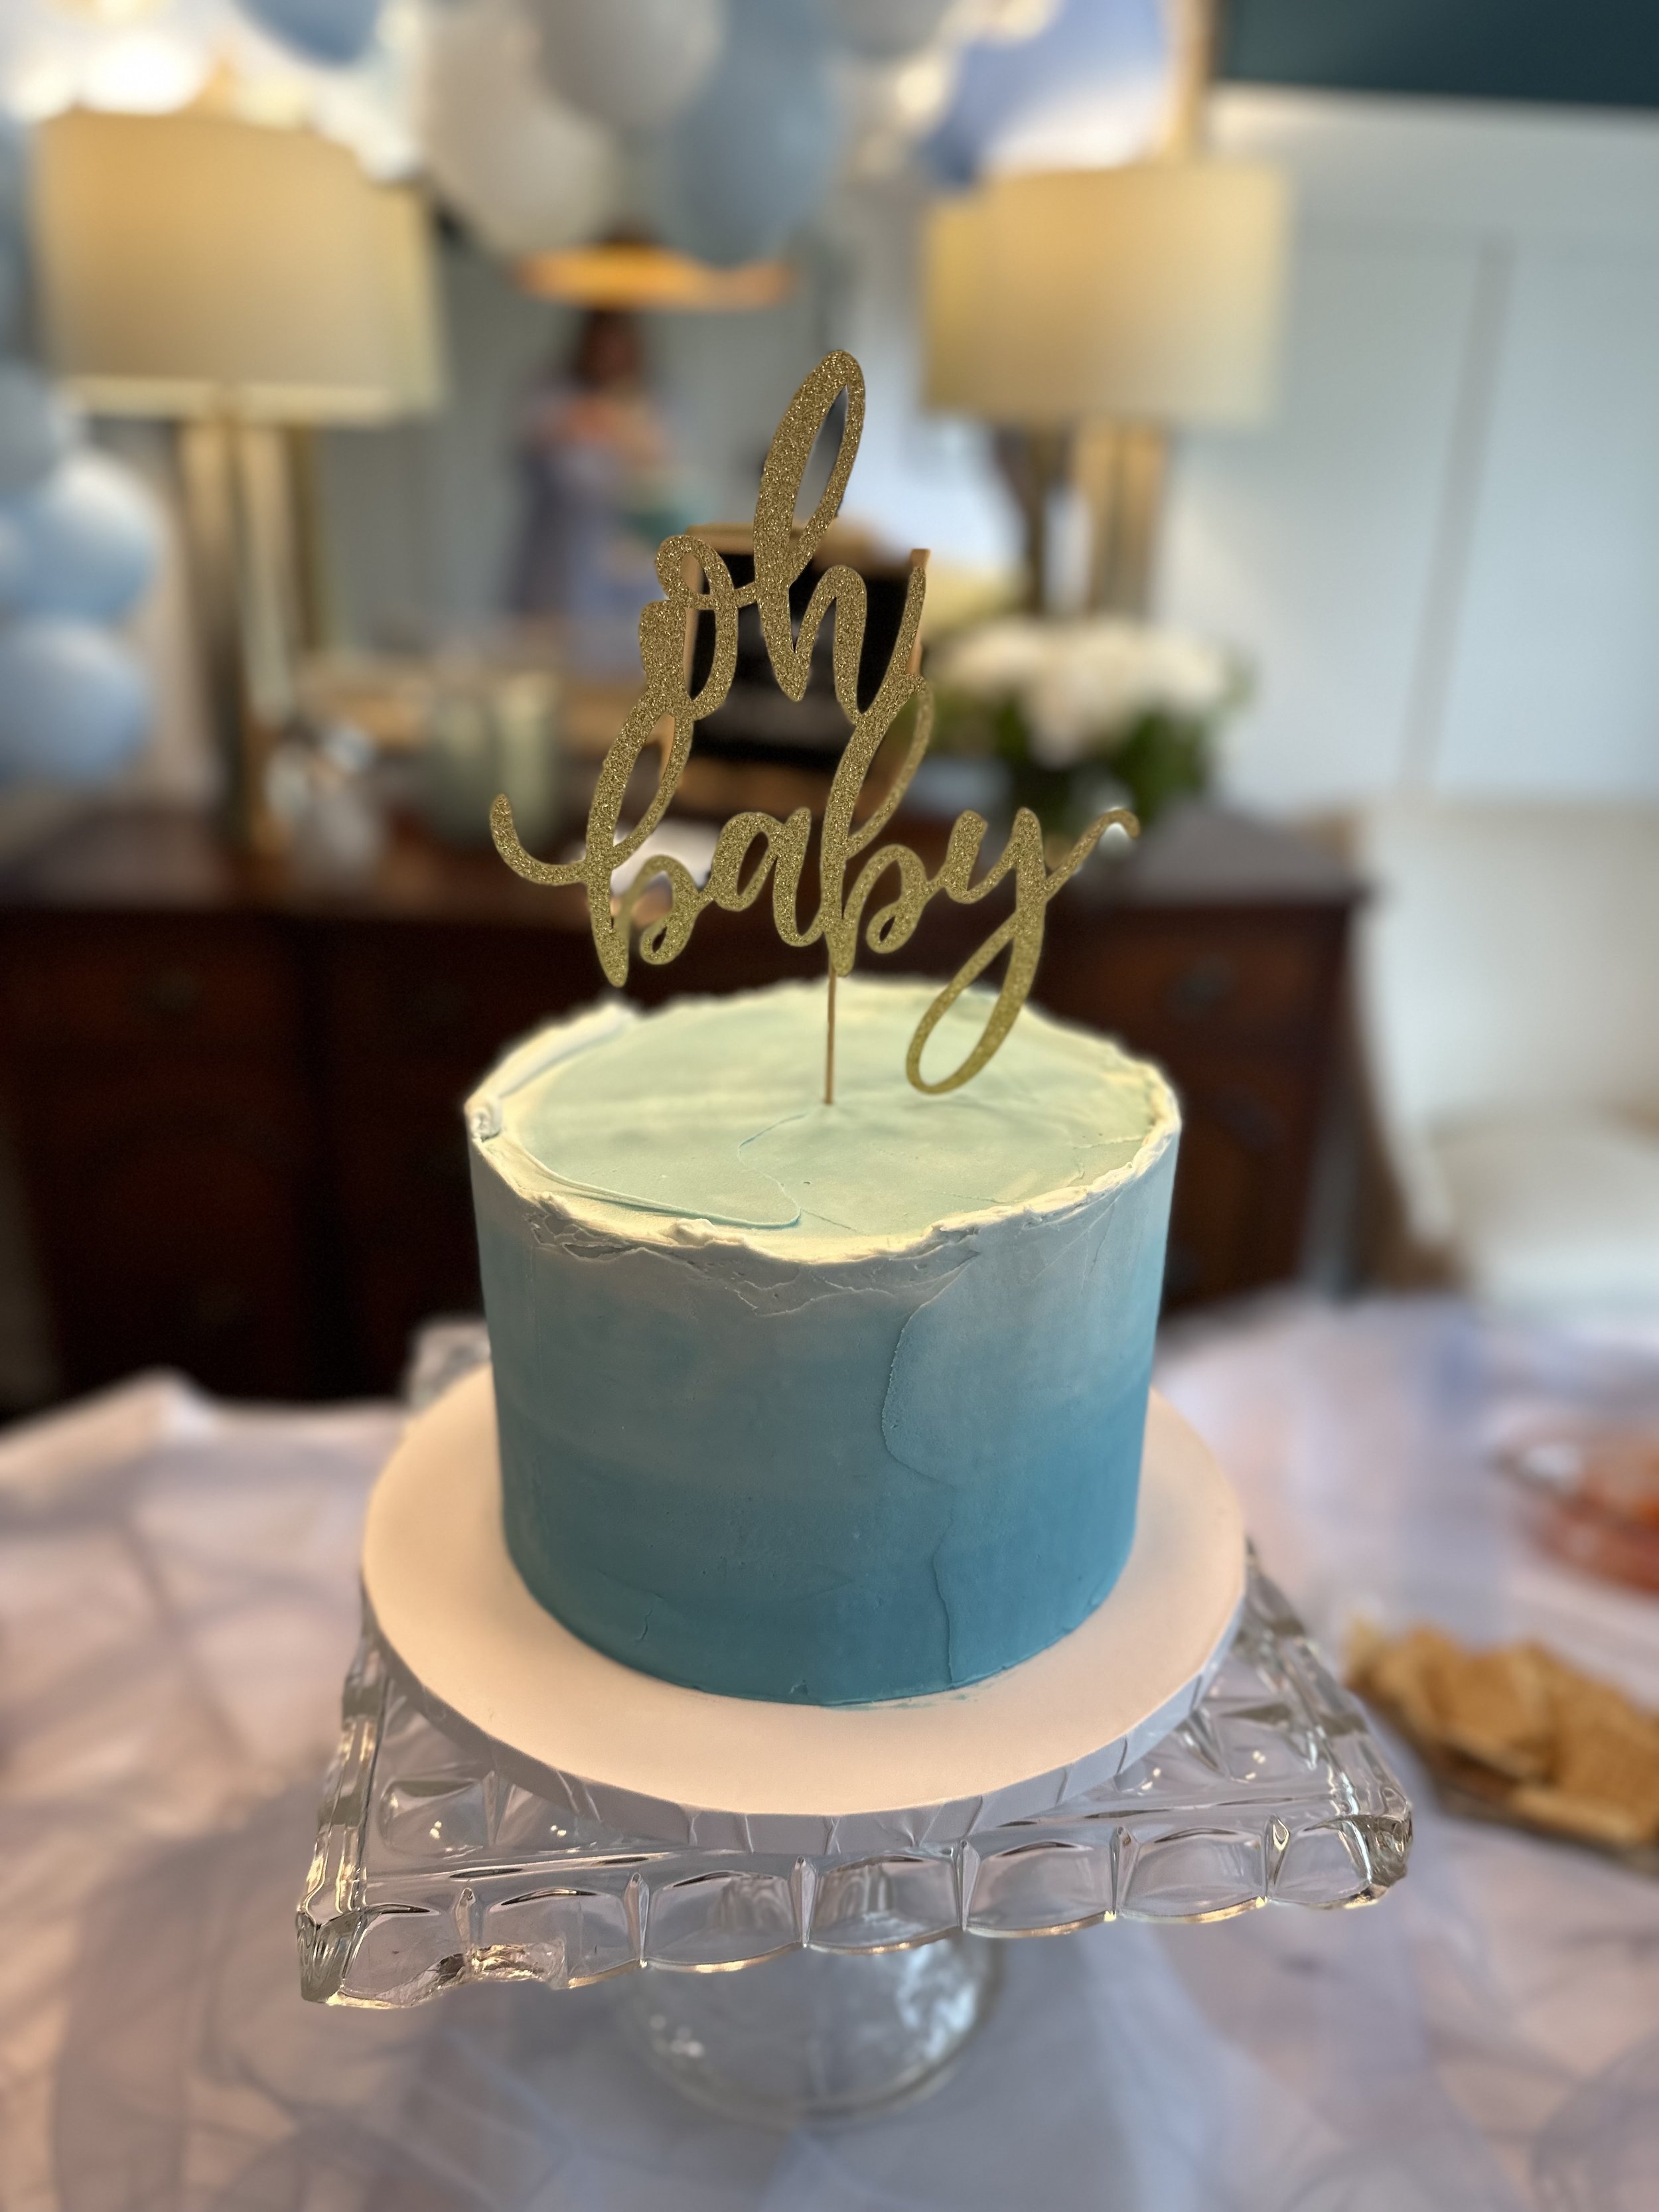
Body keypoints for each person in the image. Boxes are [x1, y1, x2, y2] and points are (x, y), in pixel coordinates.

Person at [507, 309, 690, 671]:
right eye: (602, 344)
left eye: (619, 344)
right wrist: (597, 419)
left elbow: (669, 478)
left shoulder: (659, 401)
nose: (610, 354)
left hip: (631, 582)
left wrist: (637, 442)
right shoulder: (550, 396)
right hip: (558, 579)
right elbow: (533, 443)